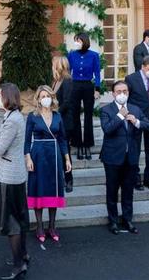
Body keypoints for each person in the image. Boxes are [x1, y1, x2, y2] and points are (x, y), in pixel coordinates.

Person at [0, 83, 30, 280]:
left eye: (0, 95)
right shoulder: (15, 117)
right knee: (19, 218)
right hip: (16, 174)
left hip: (9, 176)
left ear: (7, 98)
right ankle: (23, 256)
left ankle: (18, 265)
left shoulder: (12, 121)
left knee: (11, 222)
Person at [100, 81, 149, 235]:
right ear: (113, 94)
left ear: (128, 93)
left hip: (131, 157)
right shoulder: (106, 110)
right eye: (119, 91)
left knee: (128, 190)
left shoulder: (136, 109)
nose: (122, 94)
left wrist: (136, 122)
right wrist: (119, 116)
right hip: (112, 158)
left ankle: (127, 220)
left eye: (125, 91)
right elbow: (107, 129)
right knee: (112, 190)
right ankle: (113, 221)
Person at [24, 85, 71, 244]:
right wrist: (28, 158)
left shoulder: (58, 116)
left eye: (48, 95)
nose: (46, 98)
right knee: (39, 188)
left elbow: (63, 139)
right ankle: (39, 226)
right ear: (38, 99)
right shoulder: (32, 116)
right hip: (38, 153)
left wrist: (67, 158)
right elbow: (26, 140)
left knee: (53, 188)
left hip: (54, 155)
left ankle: (52, 226)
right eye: (42, 96)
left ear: (52, 97)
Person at [125, 55, 149, 191]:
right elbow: (127, 99)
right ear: (143, 67)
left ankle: (148, 178)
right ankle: (135, 178)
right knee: (135, 149)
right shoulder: (131, 79)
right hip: (136, 118)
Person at [67, 32, 101, 160]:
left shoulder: (94, 55)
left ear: (84, 41)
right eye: (75, 40)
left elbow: (97, 73)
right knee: (75, 115)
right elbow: (67, 71)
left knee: (88, 116)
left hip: (88, 86)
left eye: (78, 41)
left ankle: (87, 144)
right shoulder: (71, 54)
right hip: (74, 86)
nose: (76, 43)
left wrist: (97, 89)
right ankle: (77, 143)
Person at [52, 55, 74, 193]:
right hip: (56, 119)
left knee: (65, 152)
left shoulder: (67, 80)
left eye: (54, 63)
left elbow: (66, 102)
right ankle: (61, 178)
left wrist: (55, 115)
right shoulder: (56, 80)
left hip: (64, 121)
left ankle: (69, 179)